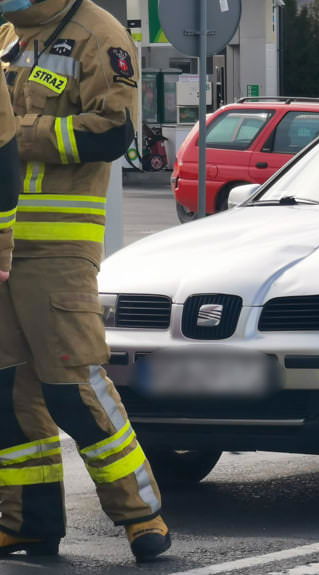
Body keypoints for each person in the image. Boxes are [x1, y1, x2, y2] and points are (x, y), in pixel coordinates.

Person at [0, 0, 170, 561]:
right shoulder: (7, 33)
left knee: (72, 385)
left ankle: (140, 514)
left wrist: (17, 135)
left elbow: (112, 132)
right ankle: (28, 522)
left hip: (58, 246)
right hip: (3, 244)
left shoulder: (98, 34)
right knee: (8, 395)